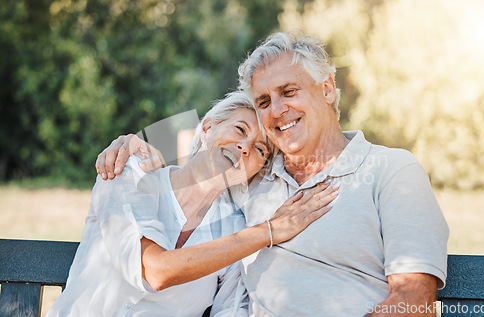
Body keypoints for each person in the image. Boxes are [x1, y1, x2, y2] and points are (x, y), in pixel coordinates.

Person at [96, 33, 449, 317]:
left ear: (327, 89)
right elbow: (205, 141)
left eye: (288, 92)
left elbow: (414, 301)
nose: (277, 110)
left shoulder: (393, 170)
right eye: (263, 102)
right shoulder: (253, 174)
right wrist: (131, 142)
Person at [48, 91, 339, 317]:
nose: (245, 147)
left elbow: (231, 310)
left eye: (260, 149)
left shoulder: (236, 229)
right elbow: (155, 272)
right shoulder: (128, 173)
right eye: (239, 129)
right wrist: (270, 231)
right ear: (207, 127)